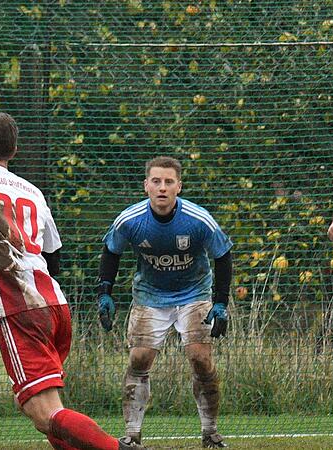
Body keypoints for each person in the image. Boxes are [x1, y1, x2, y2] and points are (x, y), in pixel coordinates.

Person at [0, 111, 146, 450]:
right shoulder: (33, 191)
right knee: (46, 411)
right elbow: (51, 259)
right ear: (14, 150)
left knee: (44, 413)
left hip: (21, 312)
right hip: (55, 306)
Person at [96, 156, 232, 448]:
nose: (162, 187)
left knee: (201, 359)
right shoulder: (130, 220)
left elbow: (222, 254)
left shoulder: (198, 220)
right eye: (156, 181)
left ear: (179, 187)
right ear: (146, 185)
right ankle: (132, 436)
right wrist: (104, 292)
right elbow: (111, 251)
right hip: (150, 296)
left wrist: (221, 302)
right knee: (139, 359)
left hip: (195, 294)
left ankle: (210, 433)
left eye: (169, 182)